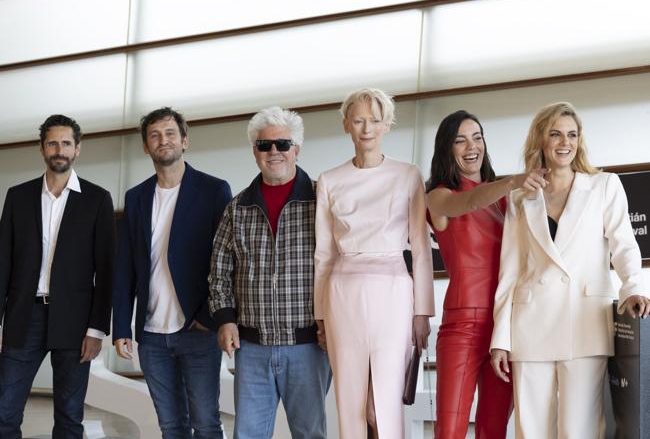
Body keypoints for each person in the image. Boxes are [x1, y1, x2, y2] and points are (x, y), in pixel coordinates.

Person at [490, 102, 650, 439]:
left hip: (585, 323)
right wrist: (500, 338)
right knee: (531, 430)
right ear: (541, 141)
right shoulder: (521, 197)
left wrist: (634, 287)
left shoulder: (604, 185)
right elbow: (510, 270)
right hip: (530, 325)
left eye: (572, 135)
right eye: (556, 134)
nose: (565, 142)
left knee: (581, 430)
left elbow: (624, 245)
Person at [314, 88, 434, 439]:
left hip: (394, 292)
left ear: (387, 125)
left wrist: (423, 311)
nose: (367, 128)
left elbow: (421, 249)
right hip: (342, 293)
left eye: (375, 120)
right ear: (346, 125)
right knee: (350, 401)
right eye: (359, 120)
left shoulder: (407, 175)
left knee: (384, 403)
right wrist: (320, 317)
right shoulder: (329, 180)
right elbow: (324, 254)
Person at [209, 106, 331, 439]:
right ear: (254, 152)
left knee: (310, 434)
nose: (273, 152)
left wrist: (333, 324)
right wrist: (225, 319)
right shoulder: (237, 208)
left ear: (297, 149)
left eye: (282, 144)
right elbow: (219, 273)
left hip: (308, 347)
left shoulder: (323, 201)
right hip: (251, 349)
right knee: (247, 434)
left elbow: (339, 266)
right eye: (264, 146)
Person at [425, 110, 547, 438]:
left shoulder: (506, 201)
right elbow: (468, 203)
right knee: (449, 430)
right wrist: (512, 181)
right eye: (460, 140)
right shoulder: (438, 196)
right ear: (446, 149)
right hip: (461, 326)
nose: (471, 146)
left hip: (505, 327)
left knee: (494, 430)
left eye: (477, 137)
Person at [112, 107, 232, 438]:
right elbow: (125, 268)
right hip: (151, 335)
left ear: (184, 141)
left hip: (197, 329)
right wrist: (121, 325)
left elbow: (226, 259)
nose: (162, 141)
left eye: (169, 134)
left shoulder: (214, 190)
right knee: (170, 425)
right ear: (146, 146)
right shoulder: (136, 197)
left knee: (206, 423)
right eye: (154, 135)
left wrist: (210, 318)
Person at [0, 114, 115, 438]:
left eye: (66, 143)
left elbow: (106, 270)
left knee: (69, 416)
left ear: (77, 149)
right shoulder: (18, 196)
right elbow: (3, 263)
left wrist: (96, 329)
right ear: (42, 149)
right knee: (3, 411)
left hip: (75, 322)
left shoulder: (97, 199)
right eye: (52, 143)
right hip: (24, 316)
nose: (59, 149)